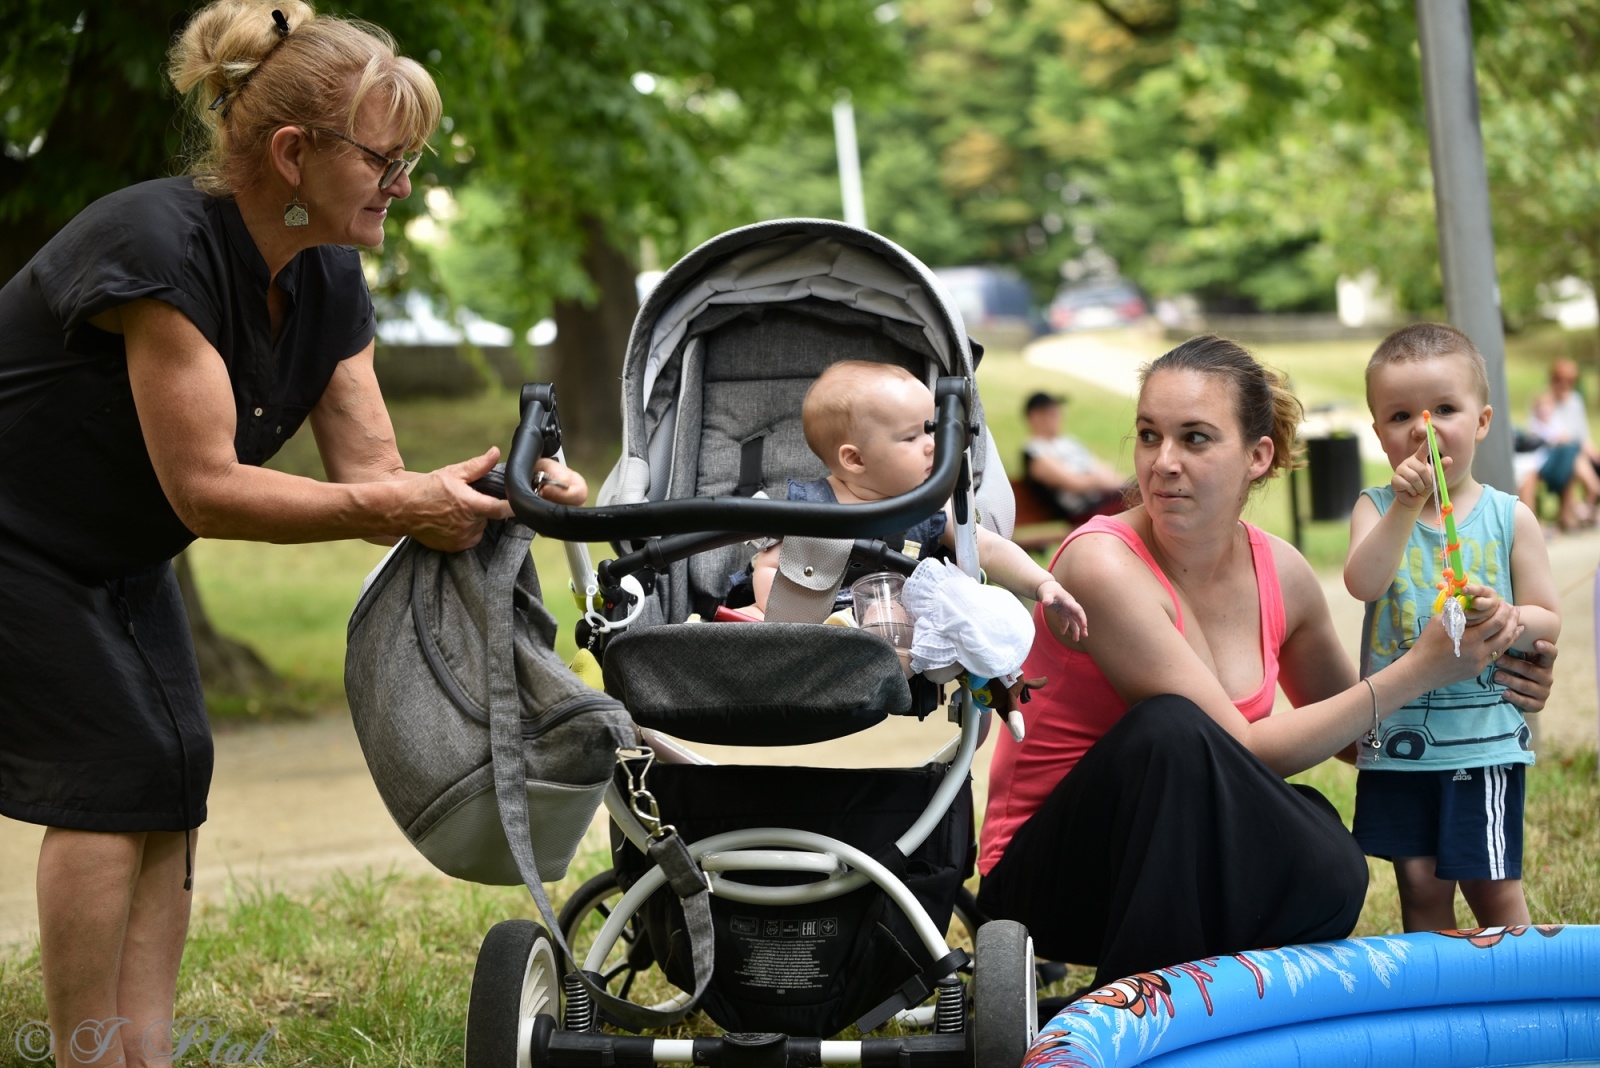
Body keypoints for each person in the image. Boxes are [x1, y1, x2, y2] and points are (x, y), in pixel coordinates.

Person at [0, 3, 584, 1065]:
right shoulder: (156, 249)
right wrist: (398, 506)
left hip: (113, 550)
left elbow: (375, 481)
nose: (403, 186)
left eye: (411, 161)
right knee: (107, 772)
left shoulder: (325, 272)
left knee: (171, 777)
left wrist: (511, 488)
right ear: (291, 153)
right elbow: (209, 493)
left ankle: (144, 1050)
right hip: (13, 536)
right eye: (385, 159)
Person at [976, 335, 1558, 994]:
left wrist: (1488, 677)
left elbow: (1358, 736)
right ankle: (1135, 1009)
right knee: (1173, 731)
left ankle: (1203, 990)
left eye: (1195, 439)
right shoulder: (1101, 564)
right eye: (1148, 436)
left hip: (1184, 876)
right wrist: (1418, 670)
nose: (1162, 462)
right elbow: (1238, 746)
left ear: (1258, 456)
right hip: (1052, 887)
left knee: (1330, 855)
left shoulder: (1281, 570)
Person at [1344, 323, 1560, 932]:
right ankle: (1436, 1012)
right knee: (1419, 884)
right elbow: (1363, 581)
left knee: (1491, 883)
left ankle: (1519, 993)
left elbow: (1548, 618)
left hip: (1482, 739)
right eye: (1400, 415)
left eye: (1445, 409)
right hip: (1399, 744)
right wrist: (1407, 505)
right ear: (1379, 432)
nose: (1423, 428)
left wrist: (1511, 619)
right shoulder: (1376, 507)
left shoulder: (1508, 516)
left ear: (1483, 421)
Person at [735, 361, 1088, 642]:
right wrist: (783, 615)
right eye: (911, 436)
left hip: (894, 626)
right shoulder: (811, 507)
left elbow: (990, 550)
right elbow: (769, 565)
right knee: (749, 616)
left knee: (890, 619)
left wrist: (1043, 584)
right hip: (812, 620)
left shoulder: (932, 508)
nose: (933, 444)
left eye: (931, 429)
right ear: (855, 460)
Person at [1020, 391, 1129, 524]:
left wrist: (1099, 478)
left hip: (1105, 500)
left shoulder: (1069, 442)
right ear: (1034, 417)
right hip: (1085, 512)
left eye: (1057, 412)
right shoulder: (1035, 453)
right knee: (1140, 504)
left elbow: (1107, 471)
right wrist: (1100, 478)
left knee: (1141, 499)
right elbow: (1075, 483)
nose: (1058, 416)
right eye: (1051, 412)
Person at [1518, 358, 1600, 529]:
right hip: (1552, 454)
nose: (1564, 385)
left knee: (1577, 456)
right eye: (1559, 380)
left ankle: (1582, 509)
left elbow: (1582, 434)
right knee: (1572, 458)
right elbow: (1536, 433)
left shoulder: (1575, 401)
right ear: (1553, 379)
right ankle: (1579, 508)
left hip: (1573, 450)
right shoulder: (1544, 401)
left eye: (1569, 382)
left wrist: (1592, 452)